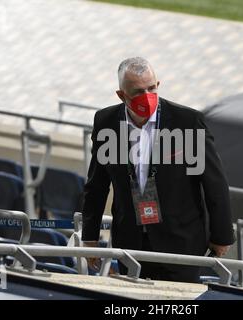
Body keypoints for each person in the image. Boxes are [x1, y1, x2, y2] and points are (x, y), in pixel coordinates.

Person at [81, 57, 234, 283]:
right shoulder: (106, 121)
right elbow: (96, 184)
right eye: (138, 91)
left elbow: (214, 183)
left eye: (152, 88)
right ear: (122, 95)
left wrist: (221, 236)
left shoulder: (188, 121)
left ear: (158, 85)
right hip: (131, 243)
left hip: (180, 243)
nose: (147, 95)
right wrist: (90, 236)